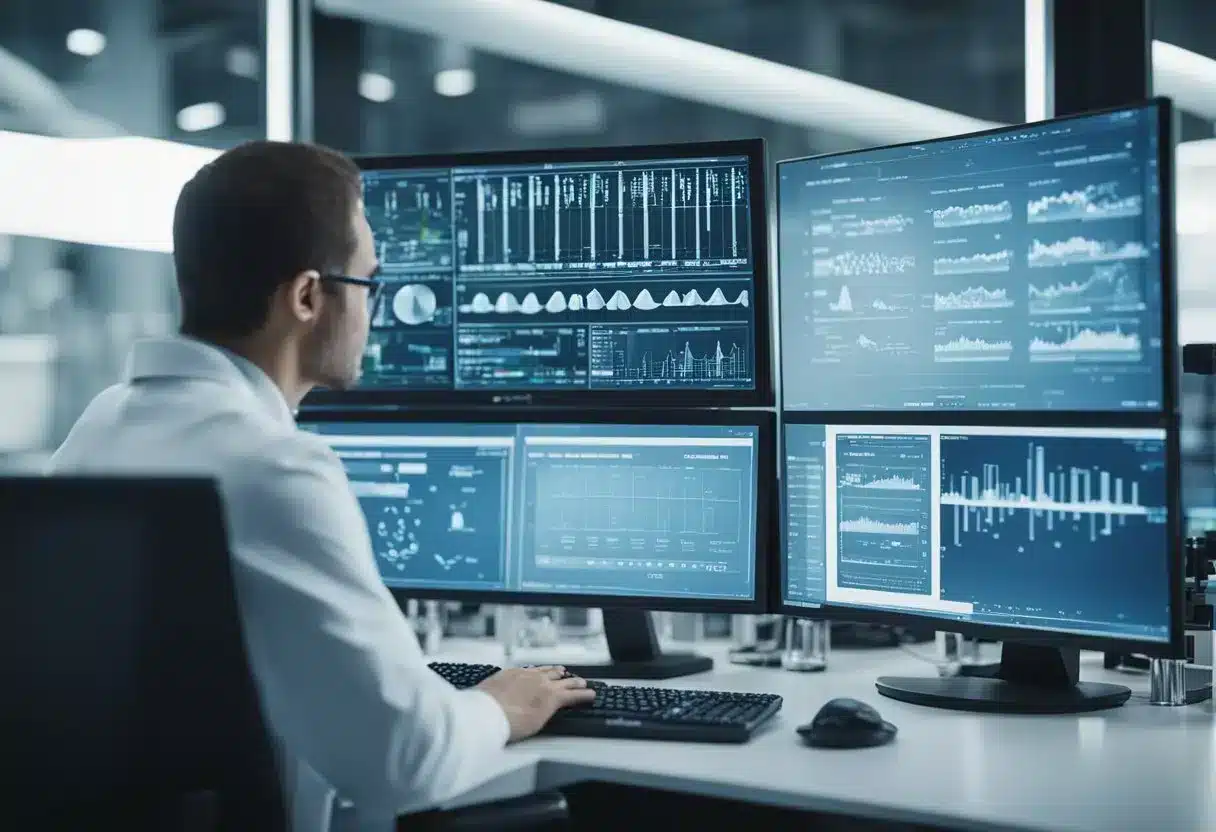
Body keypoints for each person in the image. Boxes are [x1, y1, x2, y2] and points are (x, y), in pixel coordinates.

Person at [48, 141, 595, 831]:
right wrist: (501, 705)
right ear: (308, 297)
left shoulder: (100, 427)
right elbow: (407, 762)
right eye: (369, 284)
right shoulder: (275, 464)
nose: (374, 312)